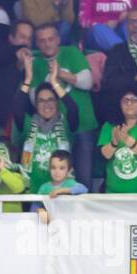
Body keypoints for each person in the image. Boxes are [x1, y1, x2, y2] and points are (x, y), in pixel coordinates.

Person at [28, 23, 97, 184]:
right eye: (42, 40)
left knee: (83, 180)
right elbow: (34, 100)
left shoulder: (71, 53)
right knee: (55, 181)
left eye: (51, 39)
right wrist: (48, 80)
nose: (47, 43)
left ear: (58, 39)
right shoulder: (37, 63)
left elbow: (87, 82)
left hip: (82, 126)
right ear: (37, 44)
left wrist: (59, 74)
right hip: (52, 132)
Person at [14, 81, 79, 194]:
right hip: (31, 192)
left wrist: (55, 83)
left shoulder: (65, 124)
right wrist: (27, 81)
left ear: (57, 102)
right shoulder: (28, 124)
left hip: (59, 194)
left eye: (51, 100)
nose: (46, 104)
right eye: (41, 101)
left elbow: (73, 109)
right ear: (35, 104)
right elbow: (16, 108)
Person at [98, 91, 137, 193]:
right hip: (113, 193)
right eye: (125, 100)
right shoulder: (109, 125)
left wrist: (127, 139)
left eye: (134, 100)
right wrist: (114, 142)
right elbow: (103, 156)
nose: (129, 104)